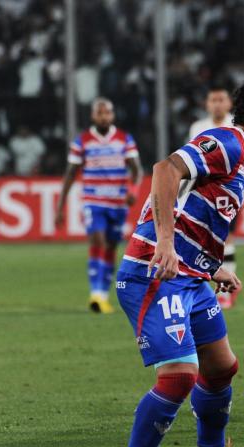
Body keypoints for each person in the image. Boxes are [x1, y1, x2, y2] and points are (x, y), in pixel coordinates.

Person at [110, 75, 244, 447]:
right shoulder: (226, 143)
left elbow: (197, 209)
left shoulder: (241, 157)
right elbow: (165, 170)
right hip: (154, 274)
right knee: (180, 374)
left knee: (221, 366)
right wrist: (167, 246)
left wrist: (212, 266)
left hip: (192, 278)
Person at [56, 99, 141, 313]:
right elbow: (70, 174)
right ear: (93, 116)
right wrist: (60, 206)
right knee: (98, 241)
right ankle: (95, 293)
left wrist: (133, 191)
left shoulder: (124, 139)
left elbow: (137, 170)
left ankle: (102, 295)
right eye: (99, 113)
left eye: (107, 113)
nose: (104, 116)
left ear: (112, 115)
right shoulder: (82, 141)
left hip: (118, 203)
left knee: (111, 246)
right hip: (93, 201)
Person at [185, 87, 239, 309]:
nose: (217, 104)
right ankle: (207, 287)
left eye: (221, 99)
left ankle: (227, 291)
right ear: (207, 104)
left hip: (229, 188)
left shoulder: (236, 125)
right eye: (213, 99)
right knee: (203, 239)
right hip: (203, 190)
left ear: (229, 103)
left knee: (226, 237)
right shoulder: (198, 128)